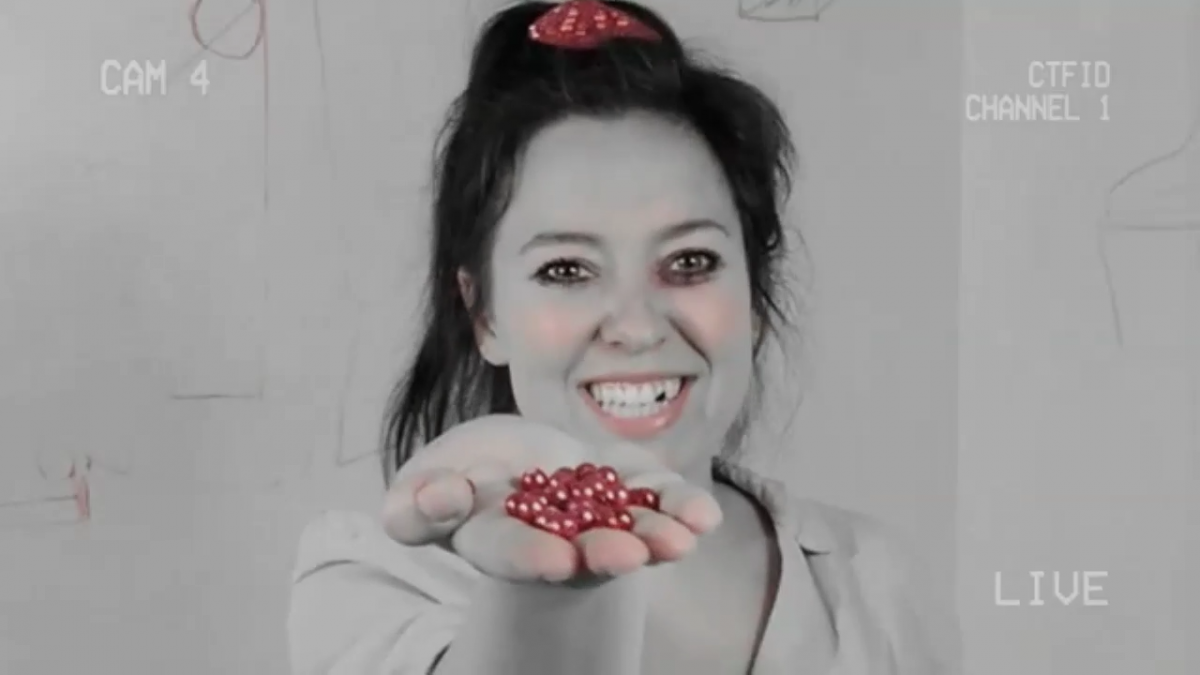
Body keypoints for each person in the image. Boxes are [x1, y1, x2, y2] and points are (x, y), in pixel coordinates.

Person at [287, 1, 958, 673]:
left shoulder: (876, 586)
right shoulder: (366, 581)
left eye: (690, 261)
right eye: (566, 270)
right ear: (485, 313)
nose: (636, 326)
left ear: (752, 292)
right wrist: (555, 585)